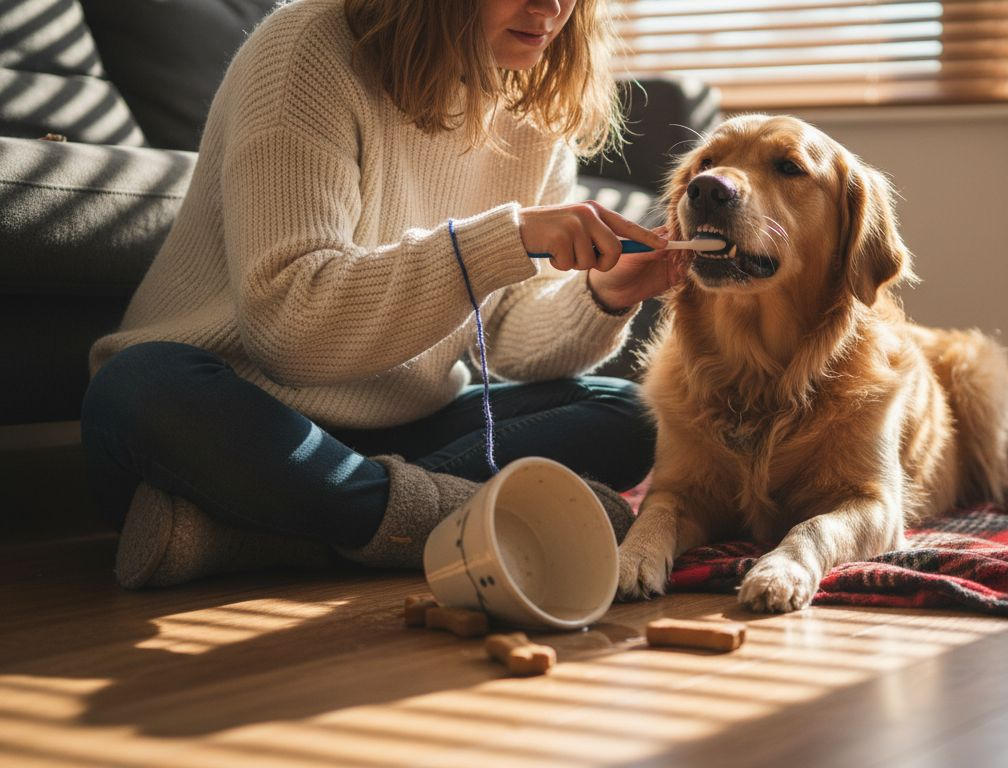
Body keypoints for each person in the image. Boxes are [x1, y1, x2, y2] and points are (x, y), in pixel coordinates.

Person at [80, 0, 679, 589]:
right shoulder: (308, 47)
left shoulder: (531, 103)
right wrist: (504, 239)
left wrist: (603, 296)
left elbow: (509, 343)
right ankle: (484, 523)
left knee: (630, 414)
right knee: (138, 382)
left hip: (389, 433)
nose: (551, 7)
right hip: (232, 427)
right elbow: (288, 333)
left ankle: (267, 534)